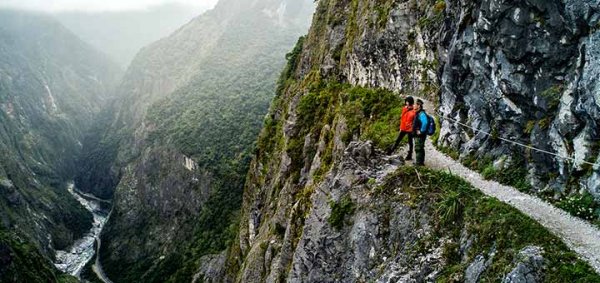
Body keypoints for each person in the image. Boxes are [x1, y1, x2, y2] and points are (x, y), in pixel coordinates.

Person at [412, 99, 428, 166]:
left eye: (414, 104)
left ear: (418, 105)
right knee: (420, 148)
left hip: (420, 135)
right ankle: (421, 162)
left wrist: (421, 131)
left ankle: (419, 164)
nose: (413, 105)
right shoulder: (419, 113)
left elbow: (425, 122)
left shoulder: (421, 114)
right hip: (419, 134)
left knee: (418, 148)